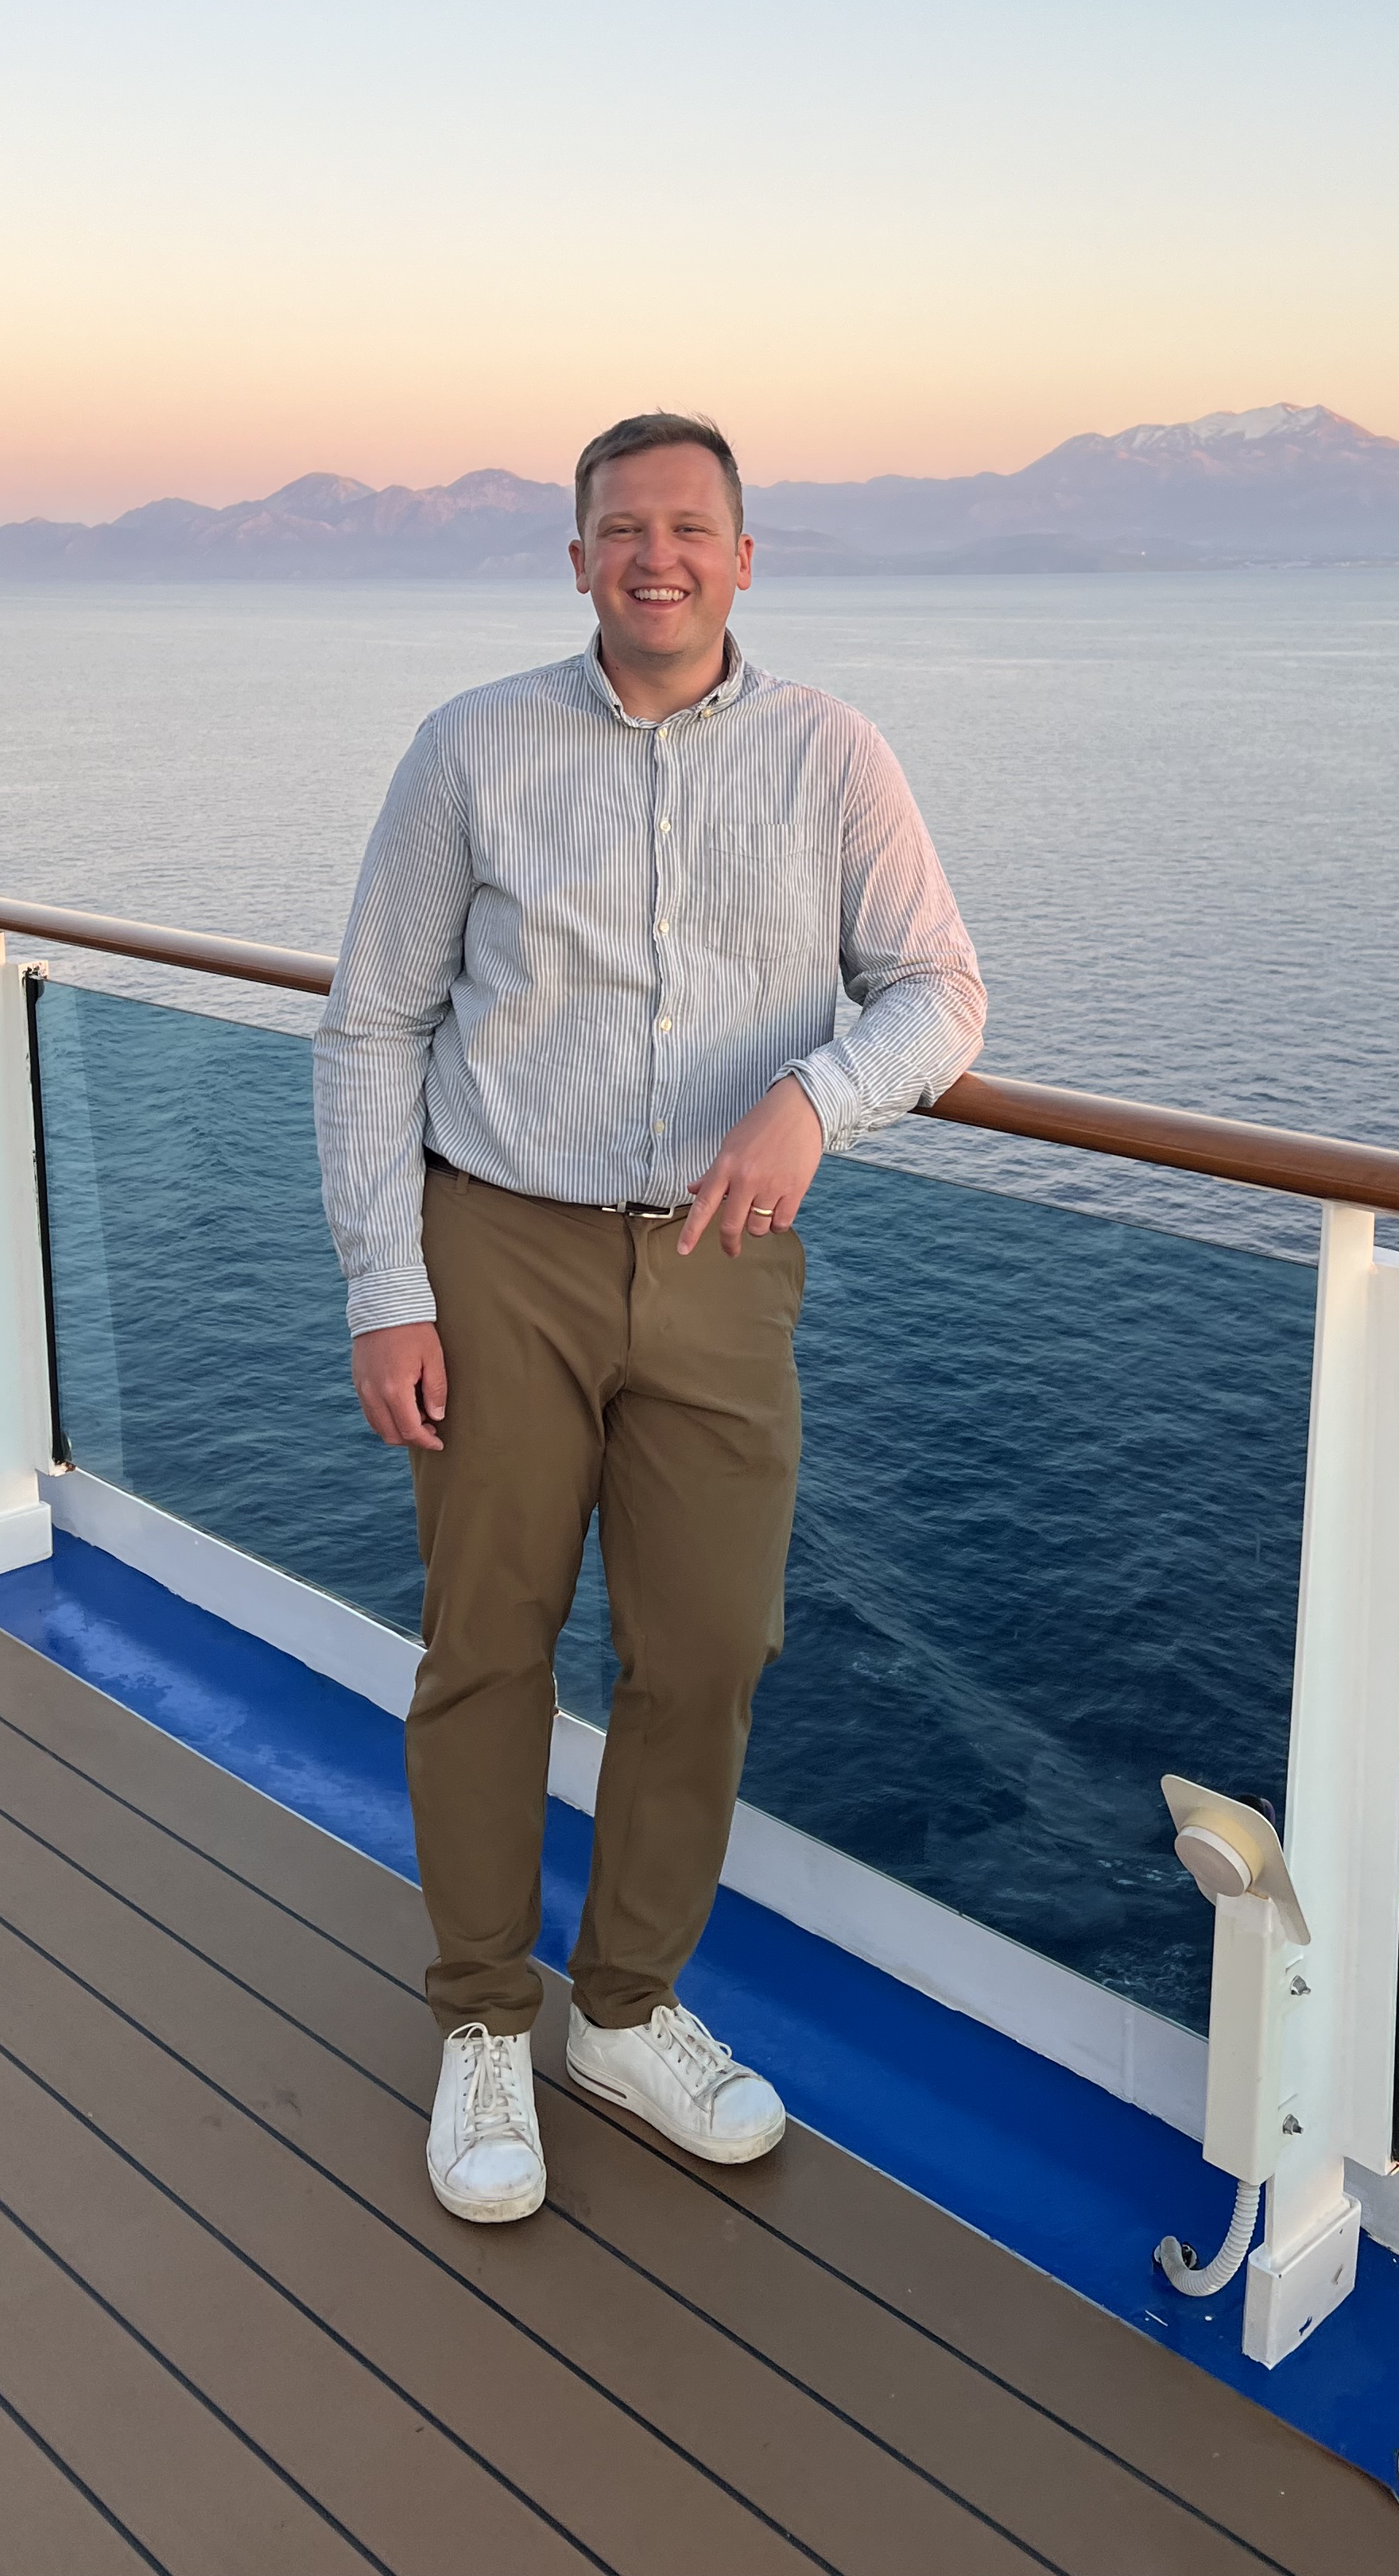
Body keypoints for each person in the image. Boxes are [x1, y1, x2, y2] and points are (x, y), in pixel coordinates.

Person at [313, 411, 986, 2224]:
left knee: (708, 1649)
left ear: (744, 559)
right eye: (624, 529)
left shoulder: (833, 756)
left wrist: (814, 1100)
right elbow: (372, 1025)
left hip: (719, 1260)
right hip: (496, 1250)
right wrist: (387, 1287)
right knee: (489, 1640)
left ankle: (622, 2008)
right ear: (579, 560)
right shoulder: (472, 748)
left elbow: (940, 990)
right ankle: (482, 2019)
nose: (657, 556)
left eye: (691, 528)